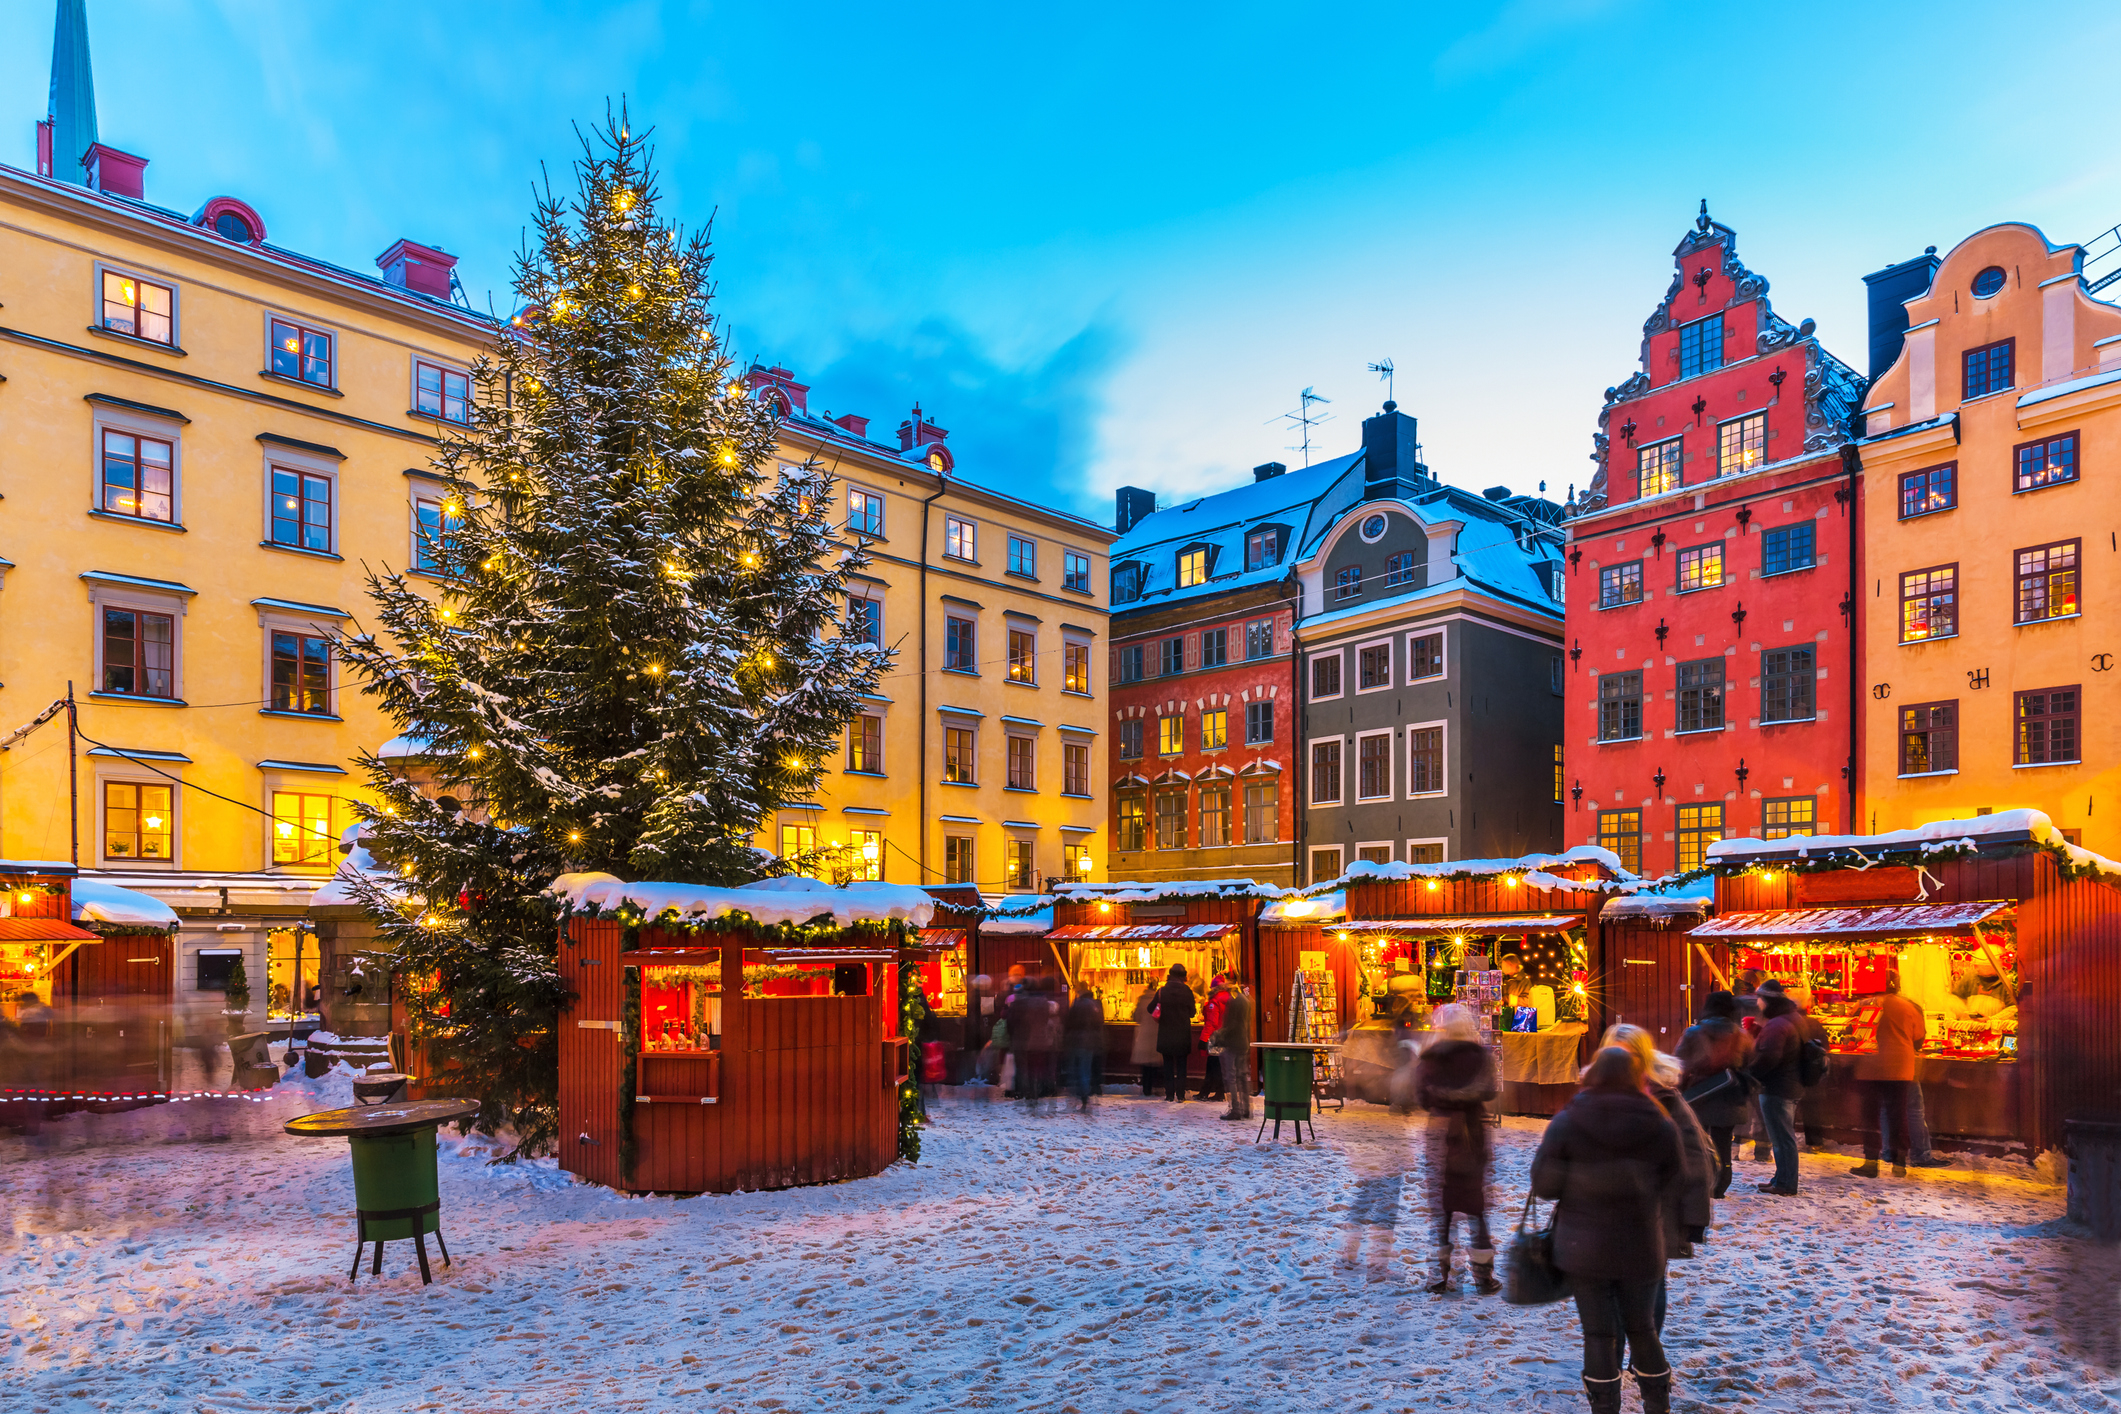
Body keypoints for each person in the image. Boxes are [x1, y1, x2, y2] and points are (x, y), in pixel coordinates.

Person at [1531, 1046, 1684, 1414]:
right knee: (1642, 1327)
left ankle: (1603, 1408)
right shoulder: (1659, 1120)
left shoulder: (1568, 1120)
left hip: (1584, 1246)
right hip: (1642, 1243)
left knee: (1598, 1333)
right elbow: (1676, 1179)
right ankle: (1657, 1405)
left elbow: (1545, 1185)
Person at [1602, 1023, 1714, 1344]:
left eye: (1630, 1056)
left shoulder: (1666, 1099)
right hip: (1609, 1213)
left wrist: (1693, 1220)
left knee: (1650, 1286)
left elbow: (1695, 1161)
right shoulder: (1596, 1096)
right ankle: (1615, 1357)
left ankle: (1644, 1355)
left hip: (1654, 1213)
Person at [1414, 1004, 1501, 1294]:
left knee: (1443, 1209)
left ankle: (1442, 1275)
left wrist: (1442, 1100)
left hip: (1441, 1135)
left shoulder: (1429, 1058)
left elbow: (1422, 1097)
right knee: (1476, 1210)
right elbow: (1489, 1090)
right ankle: (1484, 1277)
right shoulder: (1480, 1057)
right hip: (1473, 1133)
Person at [1675, 990, 1754, 1199]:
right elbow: (1750, 1065)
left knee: (1697, 1143)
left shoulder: (1693, 1033)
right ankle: (1721, 1184)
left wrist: (1679, 1094)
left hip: (1699, 1096)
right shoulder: (1742, 1036)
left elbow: (1679, 1066)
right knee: (1723, 1143)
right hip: (1730, 1097)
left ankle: (1700, 1183)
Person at [1851, 968, 1925, 1178]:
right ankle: (1899, 1163)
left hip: (1869, 1066)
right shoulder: (1909, 1007)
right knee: (1898, 1115)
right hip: (1900, 1068)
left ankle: (1871, 1162)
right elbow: (1919, 1037)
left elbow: (1850, 1032)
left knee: (1870, 1116)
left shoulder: (1863, 1006)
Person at [1748, 987, 1806, 1195]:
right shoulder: (1792, 1018)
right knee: (1783, 1137)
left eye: (1759, 999)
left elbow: (1769, 1057)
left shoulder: (1777, 1024)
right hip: (1791, 1084)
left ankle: (1786, 1183)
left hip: (1777, 1087)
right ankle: (1781, 1178)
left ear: (1767, 1000)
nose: (1757, 1003)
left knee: (1782, 1139)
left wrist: (1751, 1074)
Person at [1154, 963, 1197, 1102]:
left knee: (1167, 1067)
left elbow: (1151, 1009)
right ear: (1183, 976)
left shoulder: (1162, 991)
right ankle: (1180, 1095)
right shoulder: (1187, 991)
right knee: (1181, 1067)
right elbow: (1192, 1013)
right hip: (1182, 1035)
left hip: (1166, 1034)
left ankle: (1169, 1095)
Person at [1214, 980, 1254, 1121]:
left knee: (1231, 1077)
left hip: (1233, 1042)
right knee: (1242, 1076)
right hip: (1243, 1042)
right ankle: (1246, 1109)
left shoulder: (1234, 1001)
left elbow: (1231, 1024)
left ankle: (1235, 1109)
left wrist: (1220, 1034)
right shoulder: (1246, 1000)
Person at [1062, 981, 1105, 1112]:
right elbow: (1100, 1023)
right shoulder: (1096, 1004)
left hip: (1077, 1040)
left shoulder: (1077, 1004)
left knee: (1075, 1070)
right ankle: (1085, 1098)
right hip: (1091, 1041)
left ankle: (1079, 1099)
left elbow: (1069, 1022)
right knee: (1085, 1069)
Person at [1199, 976, 1230, 1102]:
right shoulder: (1229, 998)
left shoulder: (1215, 1001)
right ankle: (1211, 1092)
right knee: (1218, 1065)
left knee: (1213, 1065)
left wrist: (1203, 1039)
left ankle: (1214, 1093)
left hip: (1216, 1037)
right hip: (1226, 1035)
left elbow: (1211, 1023)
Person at [1130, 982, 1162, 1097]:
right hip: (1157, 1035)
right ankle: (1154, 1087)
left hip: (1144, 1036)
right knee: (1155, 1066)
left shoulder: (1142, 1000)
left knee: (1145, 1067)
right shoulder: (1159, 1000)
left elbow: (1136, 1017)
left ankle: (1146, 1089)